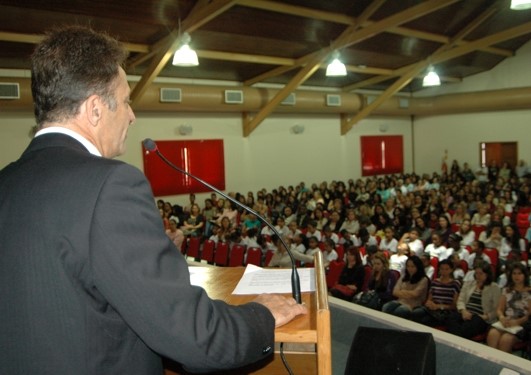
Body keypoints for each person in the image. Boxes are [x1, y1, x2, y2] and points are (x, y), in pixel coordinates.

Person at [0, 26, 306, 375]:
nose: (131, 115)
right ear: (96, 109)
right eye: (127, 100)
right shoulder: (110, 184)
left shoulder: (7, 182)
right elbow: (197, 339)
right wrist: (262, 314)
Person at [446, 262, 501, 339]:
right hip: (466, 313)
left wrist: (486, 316)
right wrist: (463, 311)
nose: (478, 276)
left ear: (487, 274)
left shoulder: (494, 287)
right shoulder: (469, 284)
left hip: (481, 317)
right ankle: (455, 340)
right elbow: (461, 300)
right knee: (451, 318)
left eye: (480, 273)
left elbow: (497, 309)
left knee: (468, 326)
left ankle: (455, 340)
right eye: (476, 273)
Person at [487, 263, 531, 353]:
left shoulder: (529, 292)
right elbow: (500, 309)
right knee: (493, 334)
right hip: (506, 321)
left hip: (521, 324)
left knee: (505, 339)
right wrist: (502, 317)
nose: (516, 276)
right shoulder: (507, 290)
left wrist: (517, 322)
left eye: (519, 273)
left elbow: (529, 316)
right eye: (514, 273)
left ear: (524, 275)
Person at [411, 259, 461, 327]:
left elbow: (454, 306)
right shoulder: (435, 282)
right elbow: (429, 299)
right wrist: (430, 303)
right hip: (432, 308)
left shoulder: (455, 284)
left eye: (447, 269)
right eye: (442, 269)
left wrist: (438, 306)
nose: (444, 271)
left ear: (451, 270)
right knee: (415, 313)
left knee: (425, 320)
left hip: (445, 310)